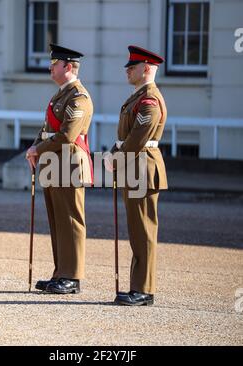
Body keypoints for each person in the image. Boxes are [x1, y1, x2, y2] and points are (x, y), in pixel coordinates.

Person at [26, 44, 93, 294]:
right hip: (55, 163)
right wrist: (33, 148)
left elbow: (67, 135)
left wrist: (38, 149)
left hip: (69, 162)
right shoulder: (60, 95)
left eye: (55, 64)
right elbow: (46, 129)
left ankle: (72, 277)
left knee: (71, 220)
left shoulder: (79, 97)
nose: (50, 67)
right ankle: (60, 272)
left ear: (68, 66)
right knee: (57, 221)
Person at [106, 45, 168, 306]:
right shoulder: (137, 97)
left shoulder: (149, 100)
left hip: (143, 167)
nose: (127, 70)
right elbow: (124, 139)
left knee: (143, 231)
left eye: (133, 66)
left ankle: (143, 289)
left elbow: (137, 139)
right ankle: (138, 287)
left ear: (146, 68)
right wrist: (113, 153)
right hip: (134, 166)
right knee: (136, 229)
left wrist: (117, 158)